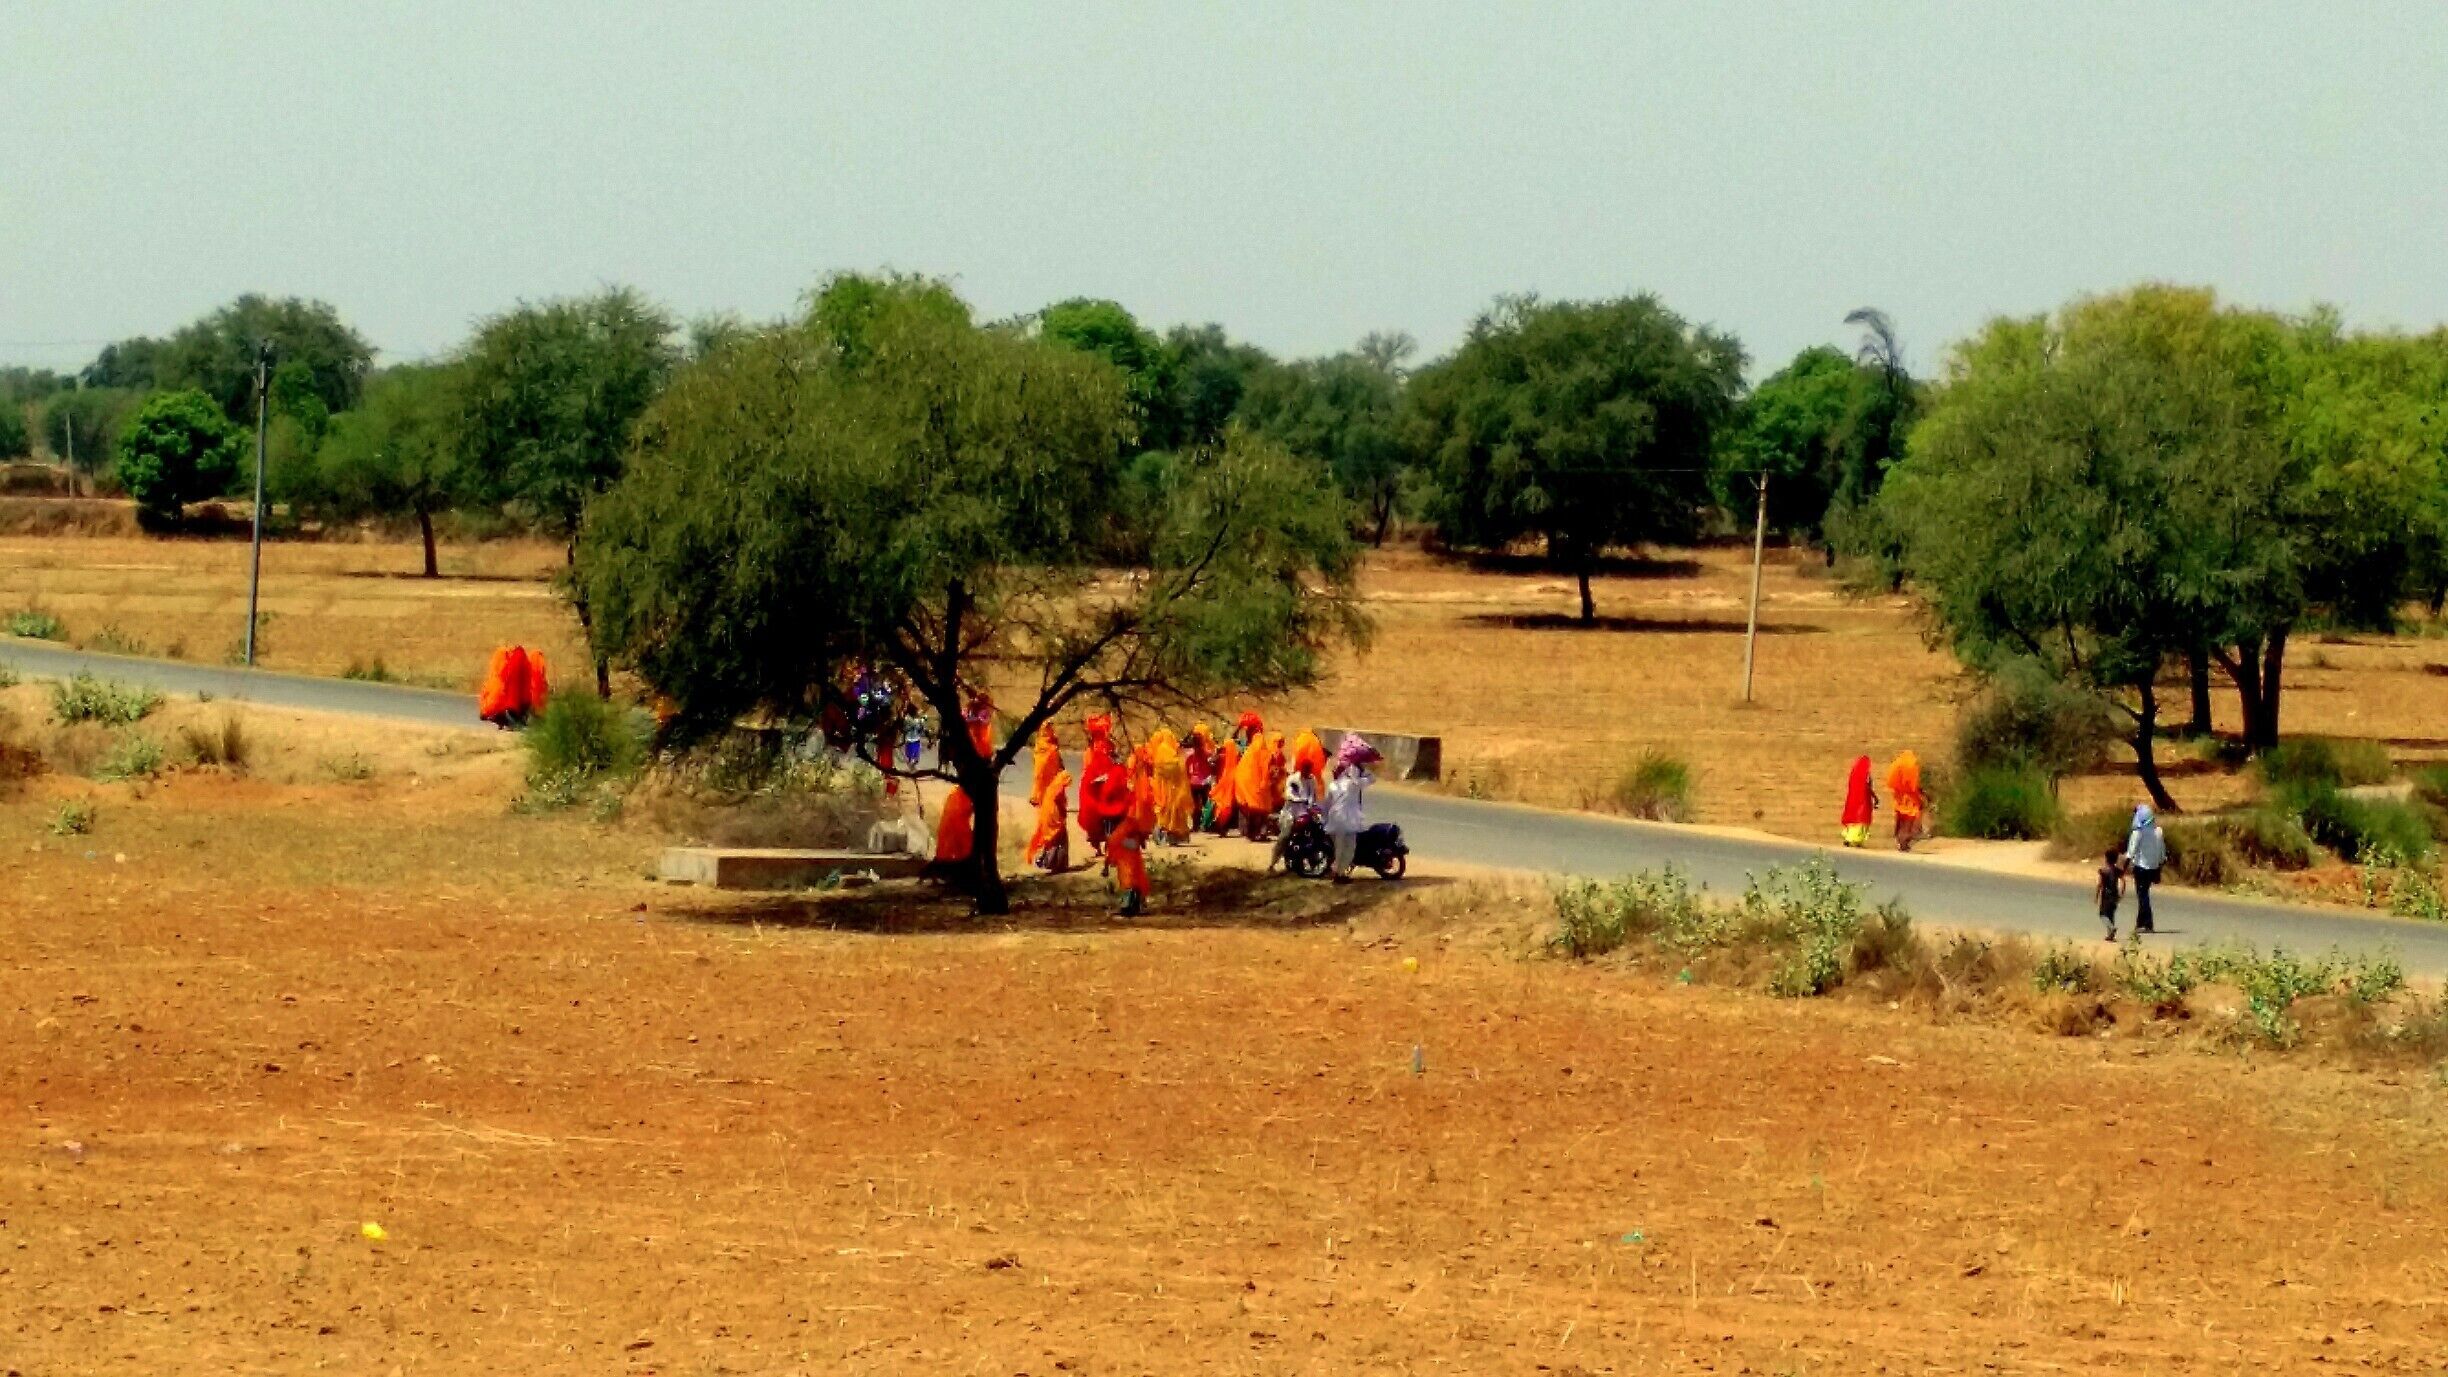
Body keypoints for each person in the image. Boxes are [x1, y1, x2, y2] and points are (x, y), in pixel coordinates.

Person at [1077, 715, 1125, 858]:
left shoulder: (1108, 746)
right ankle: (1099, 846)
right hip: (1093, 788)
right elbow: (1087, 770)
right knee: (1094, 818)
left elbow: (1116, 762)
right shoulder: (1090, 751)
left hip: (1106, 785)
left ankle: (1109, 845)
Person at [1324, 754, 1375, 884]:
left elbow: (1326, 805)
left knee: (1339, 849)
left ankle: (1337, 872)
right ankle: (1339, 873)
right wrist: (1362, 769)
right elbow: (1372, 778)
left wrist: (1325, 821)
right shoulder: (1353, 785)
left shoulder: (1333, 785)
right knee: (1349, 849)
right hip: (1348, 821)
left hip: (1335, 820)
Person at [1268, 754, 1321, 873]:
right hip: (1290, 813)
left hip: (1305, 813)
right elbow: (1289, 794)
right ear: (1301, 768)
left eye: (1309, 769)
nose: (1307, 772)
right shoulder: (1293, 779)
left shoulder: (1312, 779)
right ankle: (1272, 864)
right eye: (1305, 769)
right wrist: (1300, 800)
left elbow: (1312, 795)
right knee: (1285, 836)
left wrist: (1312, 806)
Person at [2125, 804, 2166, 935]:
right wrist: (2159, 869)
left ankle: (2148, 923)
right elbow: (2162, 853)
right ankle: (2140, 923)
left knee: (2142, 895)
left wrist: (2123, 868)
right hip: (2153, 868)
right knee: (2144, 894)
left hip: (2141, 868)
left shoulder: (2138, 832)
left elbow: (2131, 852)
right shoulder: (2158, 831)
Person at [1149, 728, 1192, 844]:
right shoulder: (1165, 750)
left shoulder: (1164, 750)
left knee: (1171, 811)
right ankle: (1168, 835)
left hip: (1167, 786)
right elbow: (1169, 766)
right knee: (1170, 810)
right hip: (1170, 787)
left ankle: (1172, 836)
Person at [1029, 767, 1072, 873]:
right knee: (1059, 838)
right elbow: (1058, 796)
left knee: (1053, 838)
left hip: (1048, 812)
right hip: (1055, 813)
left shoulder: (1051, 782)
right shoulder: (1059, 781)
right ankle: (1056, 864)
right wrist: (1063, 811)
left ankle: (1051, 863)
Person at [478, 645, 532, 729]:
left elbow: (484, 695)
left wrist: (484, 711)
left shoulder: (492, 679)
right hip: (516, 704)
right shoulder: (523, 666)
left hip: (493, 708)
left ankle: (505, 722)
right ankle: (512, 722)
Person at [1885, 750, 1926, 852]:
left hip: (1899, 801)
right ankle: (1904, 843)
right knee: (1908, 823)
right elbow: (1914, 786)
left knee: (1901, 822)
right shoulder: (1911, 767)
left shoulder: (1897, 766)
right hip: (1910, 801)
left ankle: (1901, 841)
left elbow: (1892, 783)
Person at [1840, 755, 1877, 848]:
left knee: (1853, 819)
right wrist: (1875, 797)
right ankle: (1855, 840)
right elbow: (1868, 787)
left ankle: (1849, 837)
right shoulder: (1866, 775)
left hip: (1852, 800)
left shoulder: (1854, 774)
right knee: (1861, 821)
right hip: (1863, 801)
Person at [1185, 724, 1217, 831]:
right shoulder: (1207, 753)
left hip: (1195, 782)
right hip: (1204, 782)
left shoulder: (1190, 754)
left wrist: (1188, 777)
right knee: (1205, 804)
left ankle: (1196, 825)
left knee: (1196, 805)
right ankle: (1206, 824)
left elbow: (1186, 768)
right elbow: (1212, 764)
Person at [1029, 722, 1063, 810]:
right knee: (1039, 776)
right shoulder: (1040, 740)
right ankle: (1037, 797)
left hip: (1050, 757)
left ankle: (1046, 798)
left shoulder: (1053, 739)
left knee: (1048, 778)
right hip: (1042, 754)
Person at [2095, 844, 2126, 943]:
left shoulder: (2103, 871)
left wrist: (2096, 896)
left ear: (2106, 858)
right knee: (2111, 915)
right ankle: (2110, 935)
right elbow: (2123, 881)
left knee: (2103, 915)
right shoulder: (2117, 871)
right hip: (2115, 894)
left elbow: (2099, 884)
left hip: (2106, 895)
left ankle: (2111, 928)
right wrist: (2121, 893)